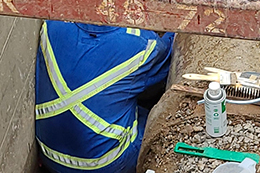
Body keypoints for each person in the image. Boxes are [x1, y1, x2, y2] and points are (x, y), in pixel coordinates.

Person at [35, 19, 174, 173]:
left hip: (52, 157)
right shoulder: (142, 44)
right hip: (105, 164)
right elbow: (164, 65)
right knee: (159, 122)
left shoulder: (52, 24)